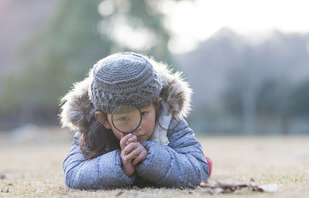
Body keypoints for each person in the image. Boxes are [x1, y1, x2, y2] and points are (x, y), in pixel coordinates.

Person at [60, 52, 211, 190]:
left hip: (171, 162)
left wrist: (151, 156)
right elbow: (73, 173)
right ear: (103, 119)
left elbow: (199, 170)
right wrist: (120, 164)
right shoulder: (90, 130)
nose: (136, 127)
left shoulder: (169, 122)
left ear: (157, 106)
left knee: (205, 163)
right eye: (124, 118)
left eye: (144, 113)